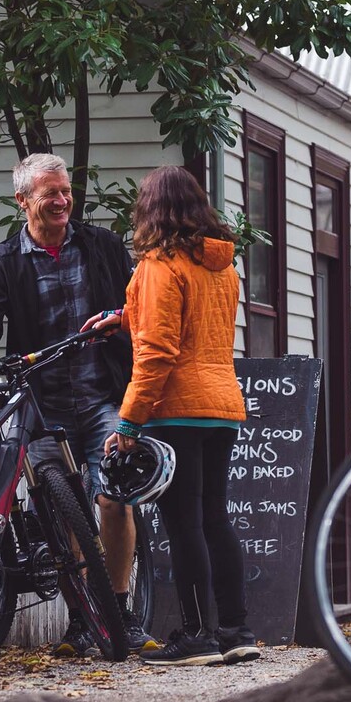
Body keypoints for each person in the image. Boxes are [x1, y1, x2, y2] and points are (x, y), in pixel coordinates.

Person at [0, 152, 150, 654]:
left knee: (113, 497)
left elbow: (139, 303)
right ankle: (84, 617)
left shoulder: (100, 245)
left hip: (103, 393)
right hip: (41, 405)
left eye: (66, 191)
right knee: (61, 513)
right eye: (50, 195)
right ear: (23, 202)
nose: (63, 201)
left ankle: (120, 613)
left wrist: (122, 321)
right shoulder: (4, 261)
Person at [97, 165, 260, 667]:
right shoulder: (221, 266)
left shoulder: (159, 265)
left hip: (177, 407)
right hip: (222, 405)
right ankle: (236, 630)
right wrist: (124, 318)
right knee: (215, 517)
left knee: (183, 521)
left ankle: (196, 636)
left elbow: (161, 350)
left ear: (150, 209)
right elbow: (192, 321)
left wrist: (129, 420)